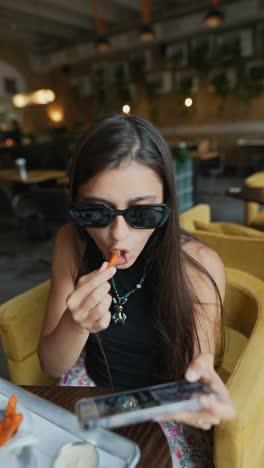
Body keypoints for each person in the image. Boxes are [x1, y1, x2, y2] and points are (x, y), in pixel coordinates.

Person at [38, 114, 235, 466]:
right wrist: (75, 322)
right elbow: (52, 364)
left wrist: (202, 387)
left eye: (142, 214)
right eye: (96, 212)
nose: (117, 235)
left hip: (162, 407)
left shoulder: (198, 267)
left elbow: (199, 367)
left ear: (168, 205)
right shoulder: (71, 242)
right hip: (92, 391)